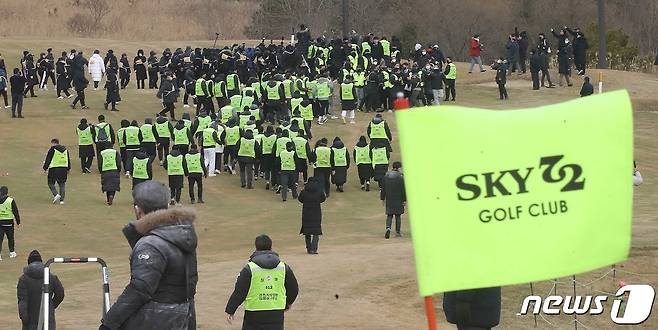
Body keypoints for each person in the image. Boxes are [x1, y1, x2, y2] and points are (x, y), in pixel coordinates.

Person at [99, 181, 198, 330]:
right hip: (182, 315)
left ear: (138, 209)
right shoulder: (180, 235)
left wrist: (109, 323)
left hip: (156, 319)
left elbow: (139, 289)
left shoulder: (151, 244)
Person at [225, 235, 299, 330]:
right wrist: (288, 303)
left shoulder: (250, 268)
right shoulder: (283, 267)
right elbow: (293, 289)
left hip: (254, 313)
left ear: (256, 247)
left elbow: (240, 291)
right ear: (271, 247)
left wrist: (231, 310)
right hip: (276, 312)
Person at [18, 250, 65, 329]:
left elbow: (22, 302)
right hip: (48, 320)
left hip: (30, 323)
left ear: (29, 263)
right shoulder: (51, 277)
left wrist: (25, 320)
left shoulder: (23, 279)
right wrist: (51, 306)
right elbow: (60, 294)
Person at [298, 177, 326, 254]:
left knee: (307, 232)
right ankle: (314, 248)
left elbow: (300, 199)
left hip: (306, 213)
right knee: (316, 232)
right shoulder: (319, 191)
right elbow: (323, 199)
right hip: (316, 213)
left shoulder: (304, 191)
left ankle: (308, 248)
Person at [381, 162, 406, 238]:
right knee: (398, 216)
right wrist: (404, 200)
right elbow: (403, 190)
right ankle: (397, 232)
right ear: (398, 168)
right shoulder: (401, 177)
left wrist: (382, 198)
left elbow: (383, 188)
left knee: (389, 215)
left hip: (389, 198)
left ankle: (388, 227)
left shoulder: (386, 176)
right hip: (398, 199)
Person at [43, 138, 70, 205]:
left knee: (50, 183)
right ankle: (62, 200)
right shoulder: (66, 150)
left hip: (54, 169)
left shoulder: (52, 149)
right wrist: (68, 168)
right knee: (62, 184)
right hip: (64, 169)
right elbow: (68, 160)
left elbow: (48, 158)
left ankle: (56, 194)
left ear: (54, 143)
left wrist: (45, 168)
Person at [0, 186, 20, 260]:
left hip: (0, 223)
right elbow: (15, 211)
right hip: (9, 223)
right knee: (10, 238)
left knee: (0, 239)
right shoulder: (10, 200)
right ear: (7, 192)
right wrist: (18, 222)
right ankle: (12, 252)